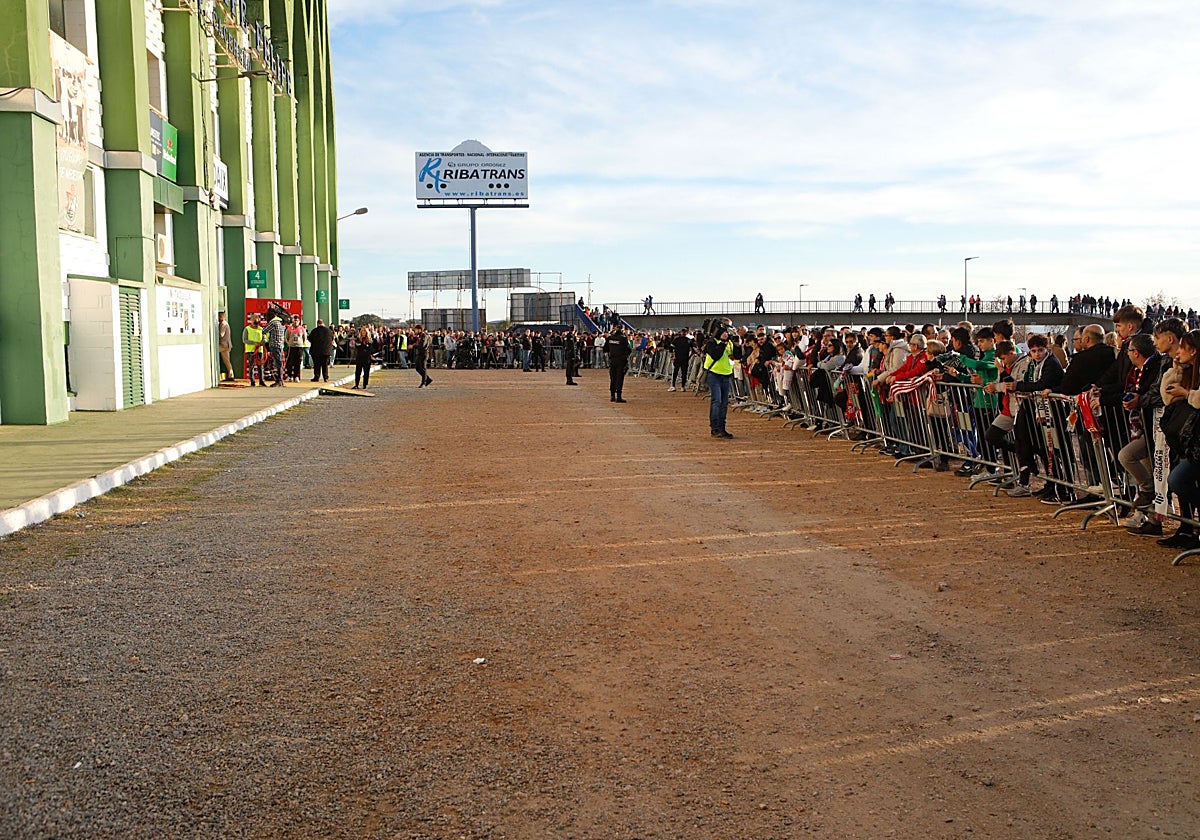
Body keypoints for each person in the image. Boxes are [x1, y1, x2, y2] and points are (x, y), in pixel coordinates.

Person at [703, 324, 741, 438]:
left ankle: (722, 427)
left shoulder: (729, 343)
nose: (726, 334)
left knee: (724, 403)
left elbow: (738, 355)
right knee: (717, 401)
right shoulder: (711, 343)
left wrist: (737, 344)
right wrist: (723, 343)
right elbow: (716, 355)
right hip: (714, 374)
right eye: (724, 332)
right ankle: (715, 428)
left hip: (726, 375)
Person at [604, 328, 631, 402]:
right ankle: (618, 397)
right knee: (619, 378)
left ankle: (612, 396)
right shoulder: (623, 339)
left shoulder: (610, 338)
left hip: (612, 360)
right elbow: (629, 350)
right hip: (621, 360)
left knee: (613, 378)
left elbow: (605, 348)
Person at [241, 313, 265, 386]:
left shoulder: (261, 329)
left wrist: (262, 342)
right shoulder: (247, 329)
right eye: (254, 319)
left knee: (260, 366)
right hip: (250, 350)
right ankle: (252, 381)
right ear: (251, 320)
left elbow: (265, 338)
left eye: (257, 319)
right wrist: (254, 343)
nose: (255, 320)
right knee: (251, 366)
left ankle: (261, 381)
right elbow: (244, 340)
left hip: (259, 350)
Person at [285, 315, 306, 382]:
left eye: (297, 320)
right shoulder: (289, 328)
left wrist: (302, 343)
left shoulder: (302, 329)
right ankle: (289, 376)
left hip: (299, 347)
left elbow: (304, 337)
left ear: (299, 321)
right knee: (290, 362)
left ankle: (296, 376)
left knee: (298, 362)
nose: (295, 322)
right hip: (291, 347)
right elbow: (286, 337)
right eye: (294, 320)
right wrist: (289, 343)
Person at [352, 324, 374, 389]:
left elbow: (370, 349)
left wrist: (364, 346)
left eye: (364, 331)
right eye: (362, 331)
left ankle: (365, 384)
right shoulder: (358, 339)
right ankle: (356, 384)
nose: (363, 333)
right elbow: (358, 347)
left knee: (366, 372)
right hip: (359, 357)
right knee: (358, 372)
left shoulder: (370, 340)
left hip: (367, 358)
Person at [217, 311, 234, 382]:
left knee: (214, 352)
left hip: (223, 345)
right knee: (227, 361)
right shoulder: (225, 323)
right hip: (227, 345)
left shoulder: (223, 324)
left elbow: (221, 334)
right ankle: (231, 375)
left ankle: (218, 374)